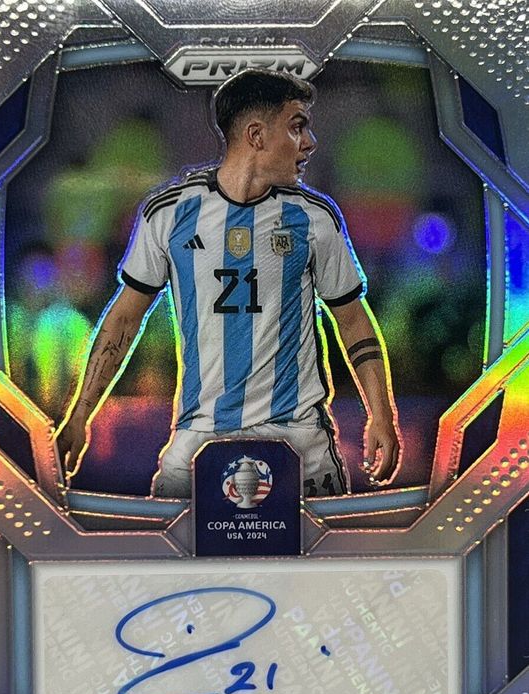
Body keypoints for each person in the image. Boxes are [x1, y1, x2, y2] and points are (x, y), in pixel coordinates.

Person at [57, 69, 401, 498]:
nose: (310, 142)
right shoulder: (169, 214)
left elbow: (352, 319)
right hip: (200, 440)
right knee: (173, 542)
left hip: (300, 443)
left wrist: (382, 415)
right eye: (297, 127)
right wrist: (79, 416)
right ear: (256, 136)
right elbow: (124, 318)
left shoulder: (315, 218)